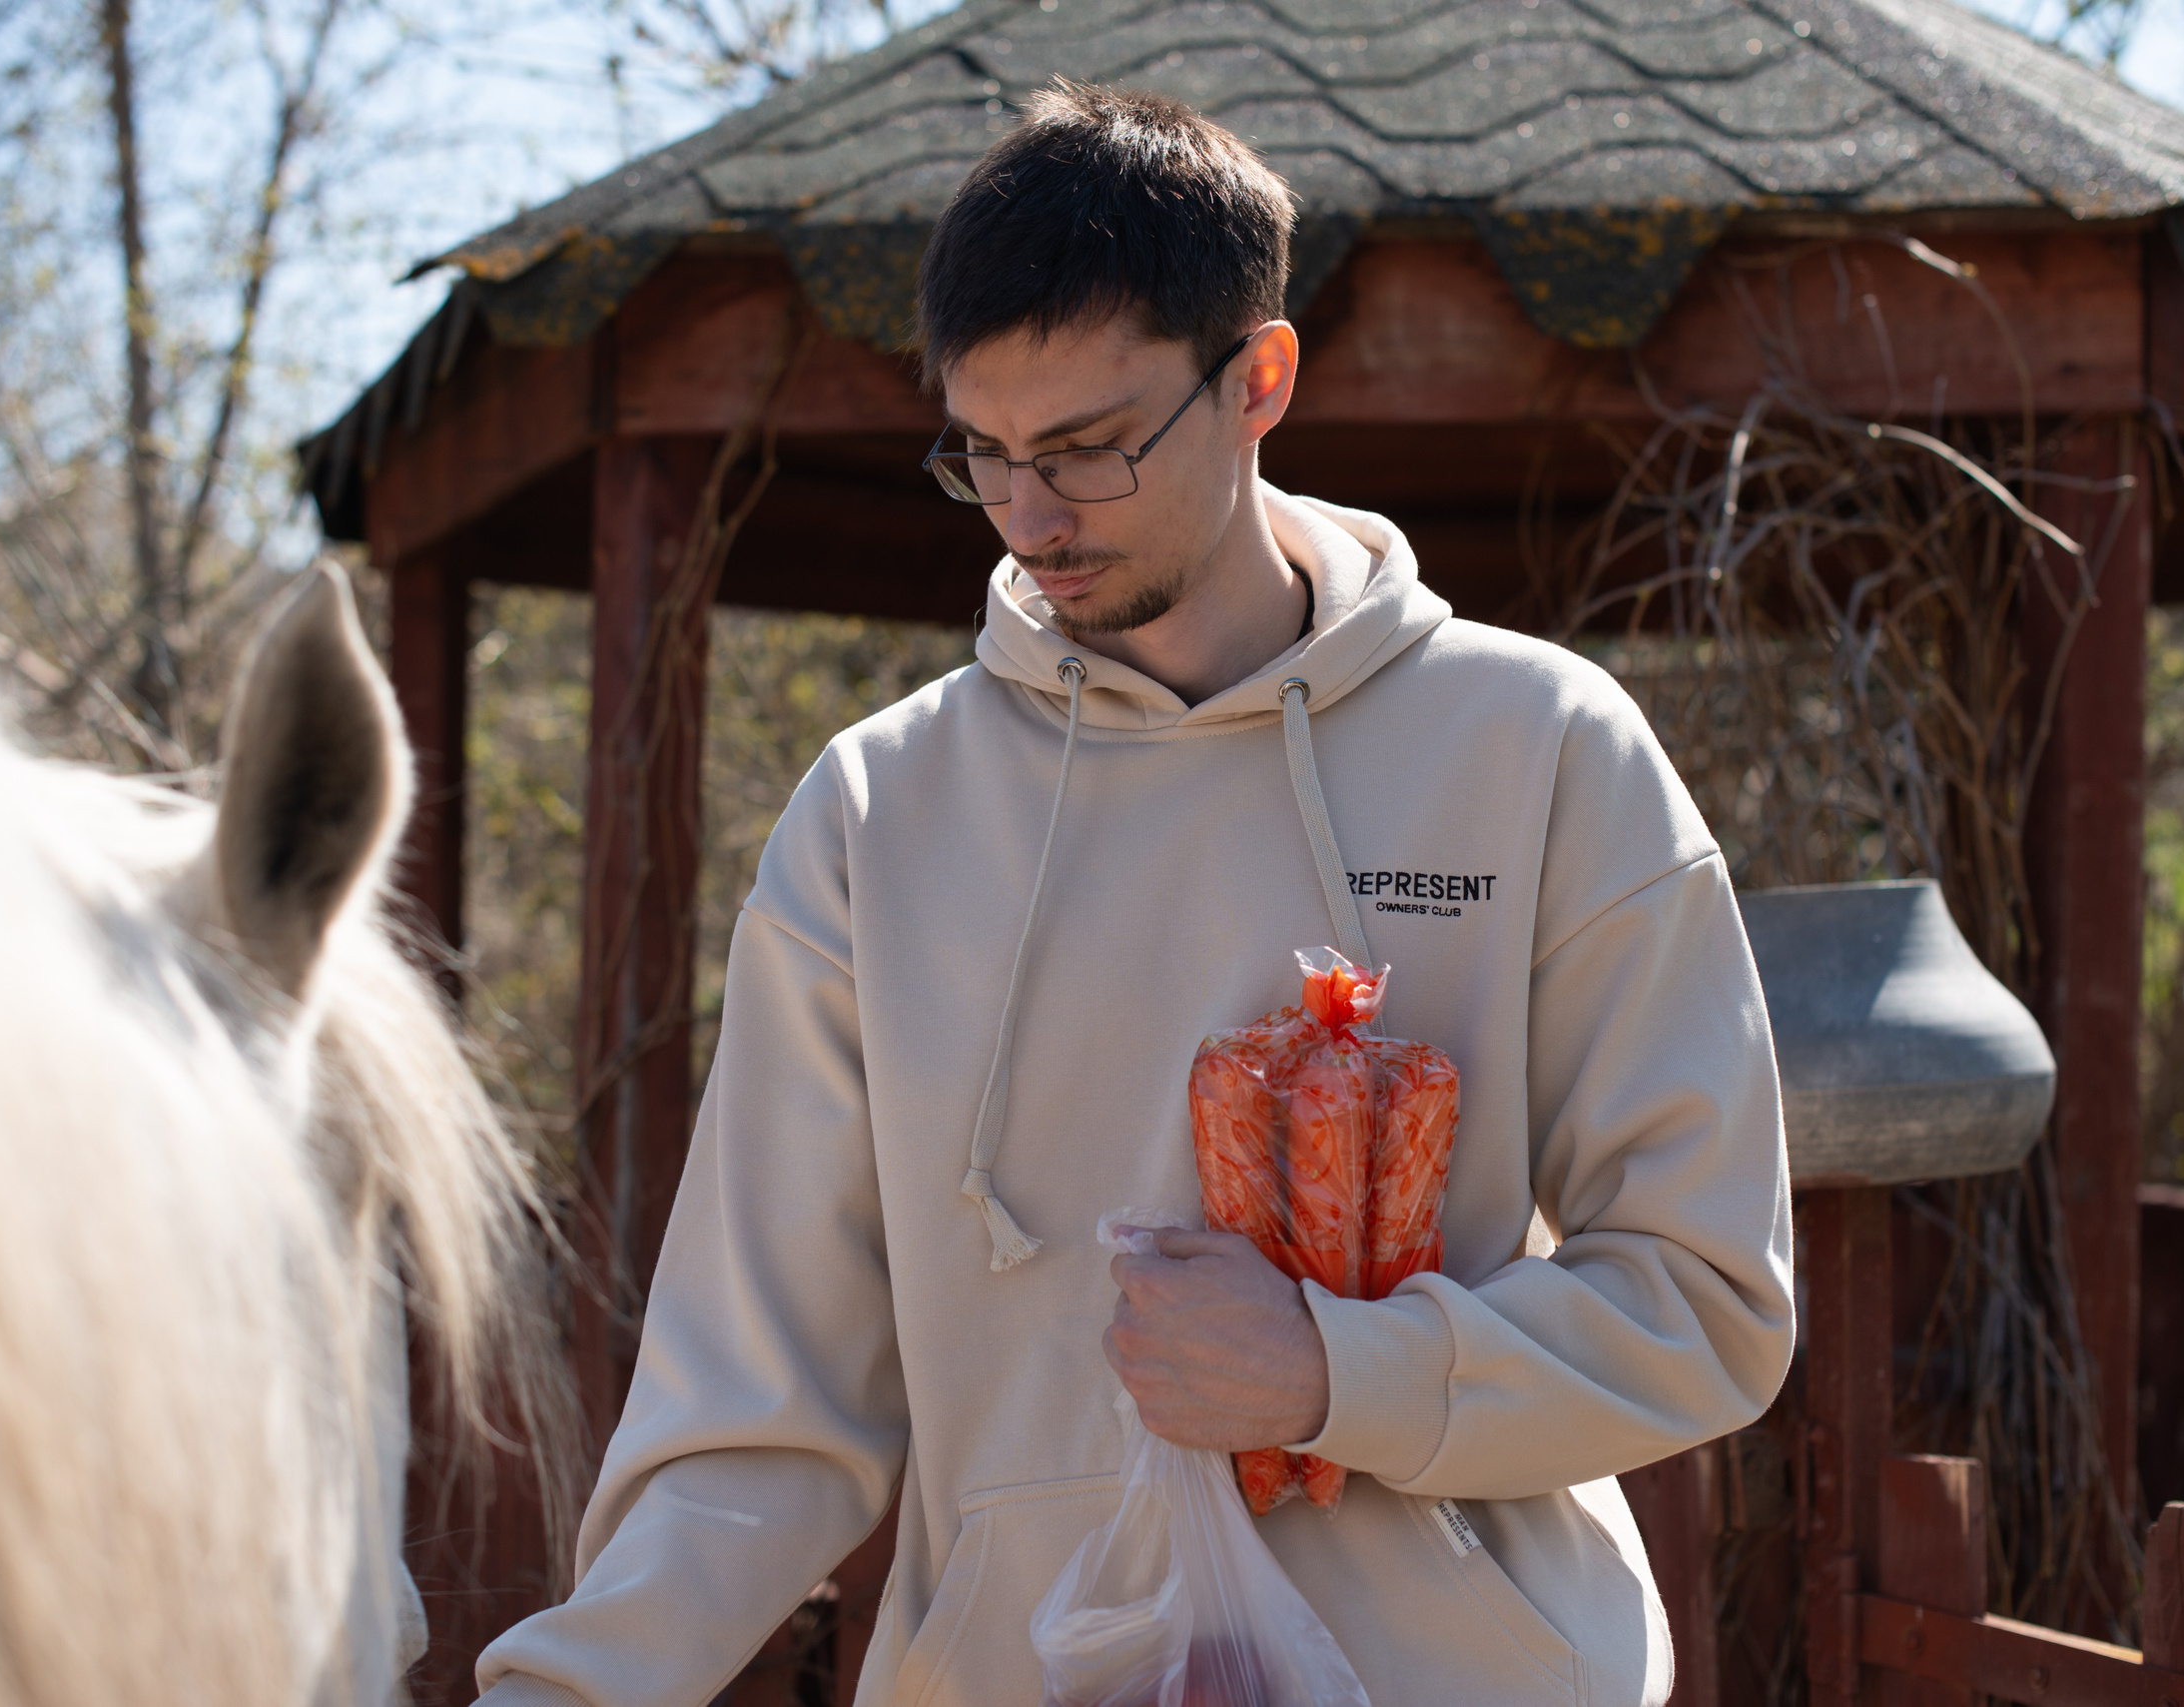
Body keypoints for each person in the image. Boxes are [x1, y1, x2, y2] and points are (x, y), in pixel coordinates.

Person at [477, 81, 1794, 1707]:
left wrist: (1337, 1372)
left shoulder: (1542, 748)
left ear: (1259, 379)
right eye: (985, 453)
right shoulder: (875, 818)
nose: (1032, 518)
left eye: (1091, 448)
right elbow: (755, 1413)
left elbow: (1705, 1299)